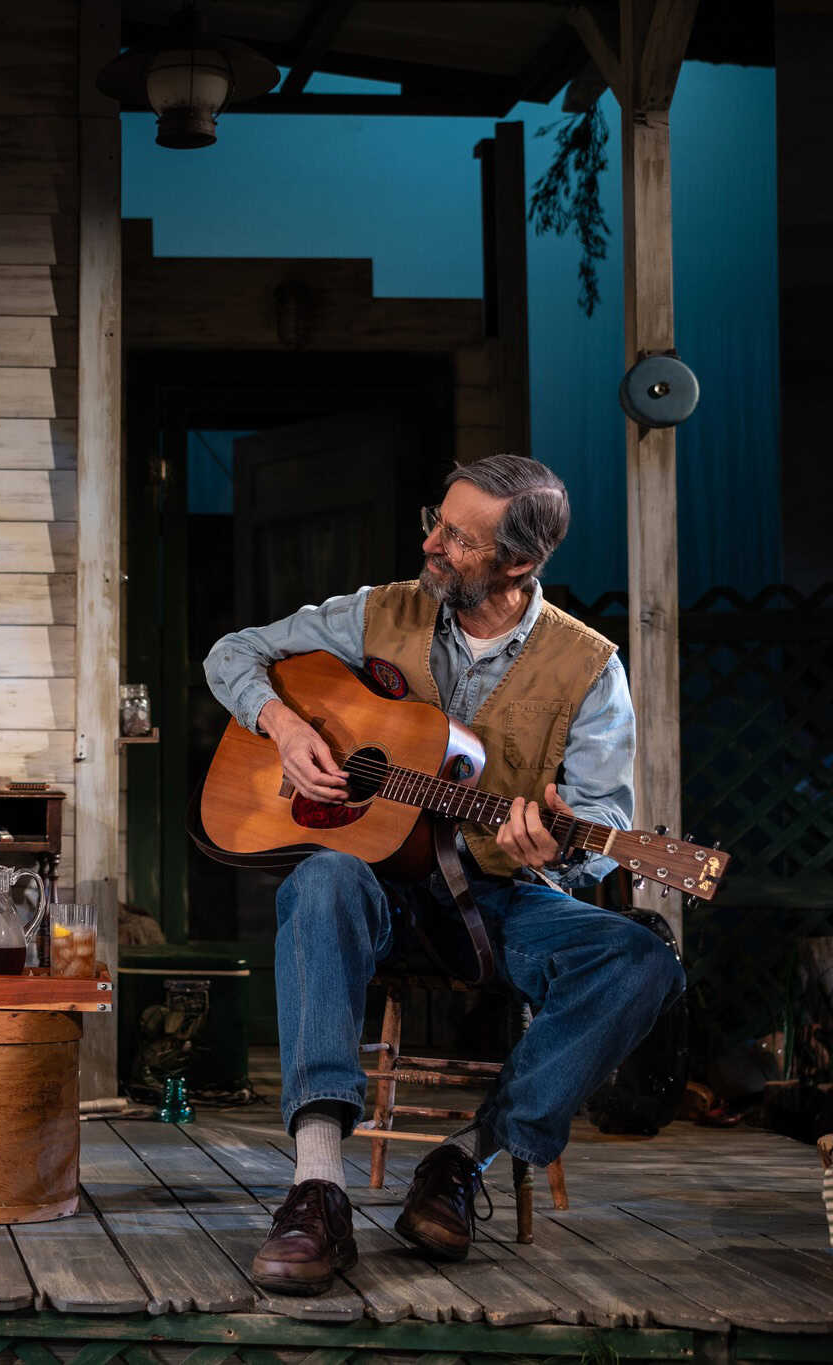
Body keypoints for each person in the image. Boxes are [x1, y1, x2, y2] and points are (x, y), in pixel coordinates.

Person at [203, 454, 683, 1295]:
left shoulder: (588, 668)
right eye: (438, 518)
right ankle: (316, 1188)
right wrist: (280, 723)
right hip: (378, 886)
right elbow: (231, 653)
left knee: (643, 961)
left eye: (458, 538)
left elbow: (598, 819)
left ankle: (464, 1162)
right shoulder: (376, 611)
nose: (430, 542)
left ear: (519, 563)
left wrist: (558, 848)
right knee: (319, 879)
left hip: (504, 895)